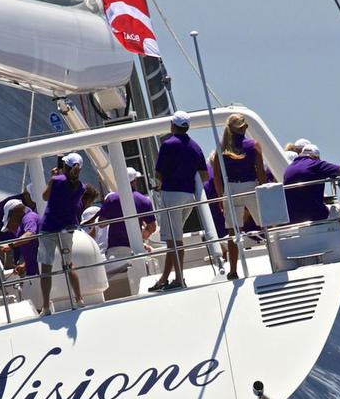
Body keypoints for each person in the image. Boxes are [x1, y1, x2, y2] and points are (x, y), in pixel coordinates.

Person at [149, 111, 208, 291]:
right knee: (173, 239)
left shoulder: (167, 145)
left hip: (171, 195)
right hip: (189, 196)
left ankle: (179, 278)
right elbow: (204, 176)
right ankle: (164, 279)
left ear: (173, 125)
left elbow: (158, 174)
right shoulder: (196, 147)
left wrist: (158, 185)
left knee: (174, 240)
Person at [210, 113, 267, 280]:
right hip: (250, 187)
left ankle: (233, 270)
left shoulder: (220, 150)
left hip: (231, 190)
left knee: (233, 231)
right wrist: (264, 190)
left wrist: (221, 197)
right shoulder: (254, 145)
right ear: (242, 128)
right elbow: (261, 172)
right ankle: (276, 259)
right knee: (267, 224)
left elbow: (217, 177)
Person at [38, 152, 86, 311]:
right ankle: (79, 299)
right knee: (69, 265)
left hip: (49, 227)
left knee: (46, 268)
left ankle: (45, 307)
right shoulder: (81, 187)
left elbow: (45, 197)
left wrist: (52, 178)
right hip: (67, 229)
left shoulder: (56, 180)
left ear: (64, 166)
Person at [95, 167, 157, 261]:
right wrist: (142, 236)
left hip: (115, 249)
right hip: (136, 248)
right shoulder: (144, 201)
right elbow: (152, 227)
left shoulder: (111, 199)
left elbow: (102, 224)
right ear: (135, 181)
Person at [283, 144, 340, 222]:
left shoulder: (289, 168)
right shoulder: (316, 164)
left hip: (293, 219)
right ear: (316, 157)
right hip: (316, 216)